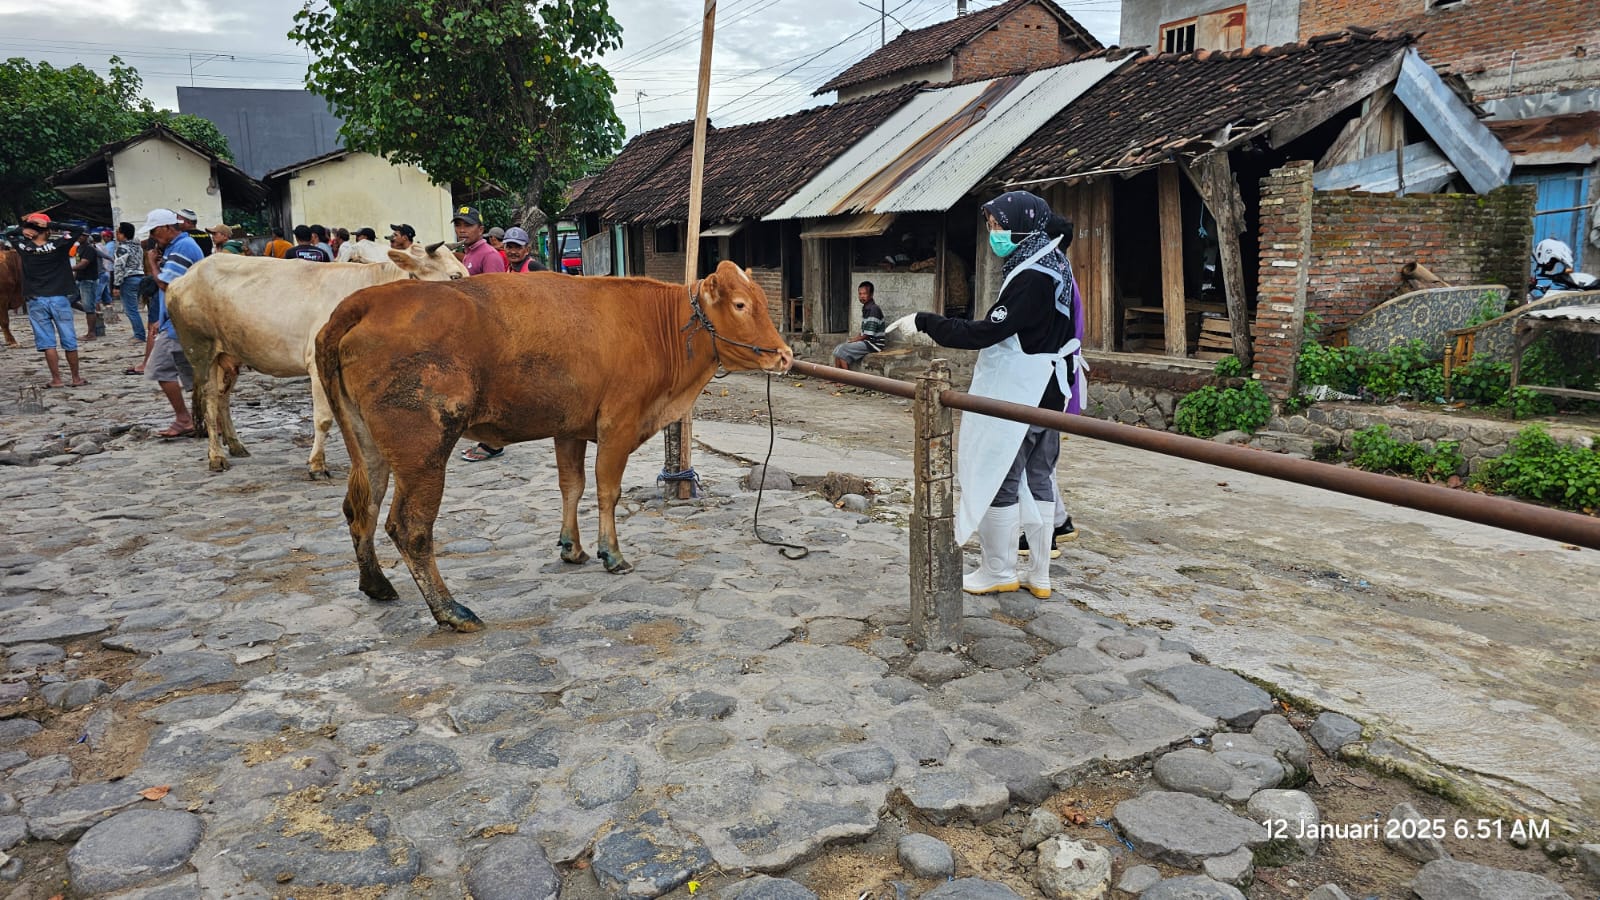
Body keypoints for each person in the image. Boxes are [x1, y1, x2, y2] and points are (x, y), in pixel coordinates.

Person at [884, 191, 1084, 601]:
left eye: (998, 225)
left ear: (1024, 227)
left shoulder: (1033, 277)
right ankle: (1039, 575)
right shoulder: (1053, 260)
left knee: (1001, 478)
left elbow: (985, 332)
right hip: (1049, 394)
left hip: (1023, 391)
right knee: (1040, 477)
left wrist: (927, 322)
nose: (993, 234)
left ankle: (998, 569)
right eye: (991, 225)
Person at [138, 208, 202, 438]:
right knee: (193, 376)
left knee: (159, 368)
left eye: (155, 231)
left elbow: (168, 286)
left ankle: (184, 418)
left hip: (180, 322)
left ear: (167, 228)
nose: (154, 237)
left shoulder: (182, 247)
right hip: (178, 320)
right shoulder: (179, 246)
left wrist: (152, 264)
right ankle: (200, 419)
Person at [12, 212, 88, 387]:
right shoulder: (60, 244)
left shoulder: (24, 247)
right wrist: (53, 224)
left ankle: (57, 379)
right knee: (69, 340)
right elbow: (78, 230)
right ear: (47, 230)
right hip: (59, 298)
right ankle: (76, 378)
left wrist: (25, 228)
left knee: (48, 343)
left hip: (36, 300)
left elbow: (10, 235)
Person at [831, 281, 885, 370]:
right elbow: (863, 332)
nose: (861, 296)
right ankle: (836, 376)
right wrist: (854, 339)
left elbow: (868, 334)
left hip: (874, 344)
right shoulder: (866, 308)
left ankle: (845, 379)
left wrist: (854, 340)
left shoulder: (873, 309)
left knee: (842, 349)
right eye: (860, 294)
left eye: (864, 294)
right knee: (839, 348)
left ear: (871, 295)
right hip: (867, 341)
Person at [111, 221, 146, 343]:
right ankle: (139, 333)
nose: (116, 235)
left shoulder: (122, 249)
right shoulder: (137, 246)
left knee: (131, 310)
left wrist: (116, 285)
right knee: (134, 308)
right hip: (140, 277)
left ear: (123, 234)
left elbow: (119, 267)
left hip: (129, 279)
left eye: (118, 232)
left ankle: (139, 335)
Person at [452, 206, 505, 276]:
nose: (462, 230)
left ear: (480, 230)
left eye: (468, 225)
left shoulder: (489, 255)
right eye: (457, 225)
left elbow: (495, 286)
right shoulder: (469, 252)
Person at [72, 231, 103, 339]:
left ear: (87, 237)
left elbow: (83, 264)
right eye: (79, 235)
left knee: (89, 307)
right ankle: (93, 314)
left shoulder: (89, 249)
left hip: (88, 280)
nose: (80, 237)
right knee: (70, 300)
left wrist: (68, 269)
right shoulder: (79, 248)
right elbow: (78, 263)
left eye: (82, 235)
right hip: (80, 279)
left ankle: (91, 333)